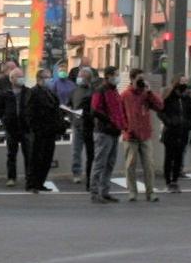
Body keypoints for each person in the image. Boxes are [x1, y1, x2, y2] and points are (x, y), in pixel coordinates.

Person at [119, 69, 163, 202]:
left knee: (149, 164)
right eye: (139, 79)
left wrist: (150, 92)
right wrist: (126, 128)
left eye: (143, 79)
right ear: (132, 79)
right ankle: (132, 192)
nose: (141, 81)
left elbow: (160, 106)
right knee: (130, 165)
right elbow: (121, 114)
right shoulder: (125, 95)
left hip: (145, 134)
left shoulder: (146, 94)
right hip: (131, 135)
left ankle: (150, 192)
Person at [23, 68, 65, 192]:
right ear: (39, 79)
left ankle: (40, 182)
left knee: (47, 158)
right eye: (47, 77)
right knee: (36, 158)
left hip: (50, 131)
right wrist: (35, 128)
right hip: (39, 132)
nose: (50, 80)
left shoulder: (49, 92)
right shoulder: (33, 92)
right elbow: (29, 113)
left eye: (50, 77)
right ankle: (32, 184)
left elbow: (55, 108)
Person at [87, 73, 124, 204]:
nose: (117, 78)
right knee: (100, 163)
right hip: (103, 132)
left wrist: (120, 124)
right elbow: (95, 110)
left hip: (114, 132)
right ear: (108, 77)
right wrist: (110, 121)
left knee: (109, 163)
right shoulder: (100, 91)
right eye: (115, 75)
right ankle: (95, 193)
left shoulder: (114, 91)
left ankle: (105, 191)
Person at [160, 76, 191, 192]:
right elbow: (161, 111)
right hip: (170, 131)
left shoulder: (187, 98)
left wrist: (189, 124)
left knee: (179, 157)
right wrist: (169, 122)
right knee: (169, 157)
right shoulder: (169, 97)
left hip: (183, 131)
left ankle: (175, 181)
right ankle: (168, 181)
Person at [0, 68, 26, 187]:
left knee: (29, 153)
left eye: (22, 76)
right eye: (19, 76)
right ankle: (11, 177)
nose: (22, 78)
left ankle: (30, 177)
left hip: (25, 128)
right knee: (11, 154)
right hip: (11, 128)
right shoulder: (5, 94)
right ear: (12, 79)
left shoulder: (27, 92)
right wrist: (5, 120)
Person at [69, 67, 96, 183]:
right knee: (76, 151)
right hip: (77, 125)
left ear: (88, 78)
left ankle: (91, 173)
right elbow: (69, 105)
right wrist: (72, 117)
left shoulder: (94, 91)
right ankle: (76, 173)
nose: (79, 78)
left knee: (92, 152)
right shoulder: (74, 91)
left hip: (90, 126)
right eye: (79, 76)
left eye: (82, 76)